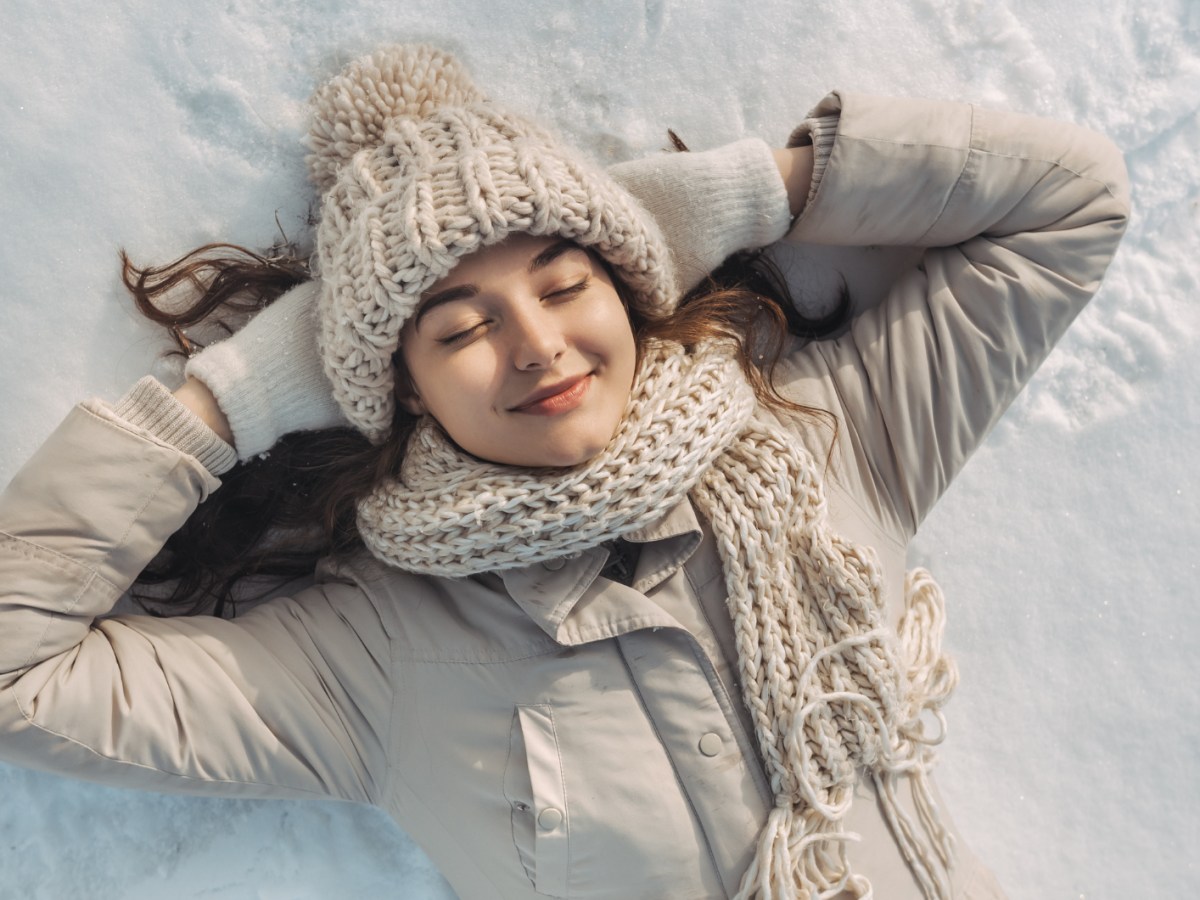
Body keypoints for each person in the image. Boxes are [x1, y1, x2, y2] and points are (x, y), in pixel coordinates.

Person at [0, 43, 1128, 900]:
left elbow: (1070, 204)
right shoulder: (376, 661)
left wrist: (747, 192)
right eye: (457, 330)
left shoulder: (826, 436)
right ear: (401, 392)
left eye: (562, 283)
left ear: (631, 285)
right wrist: (226, 401)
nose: (535, 345)